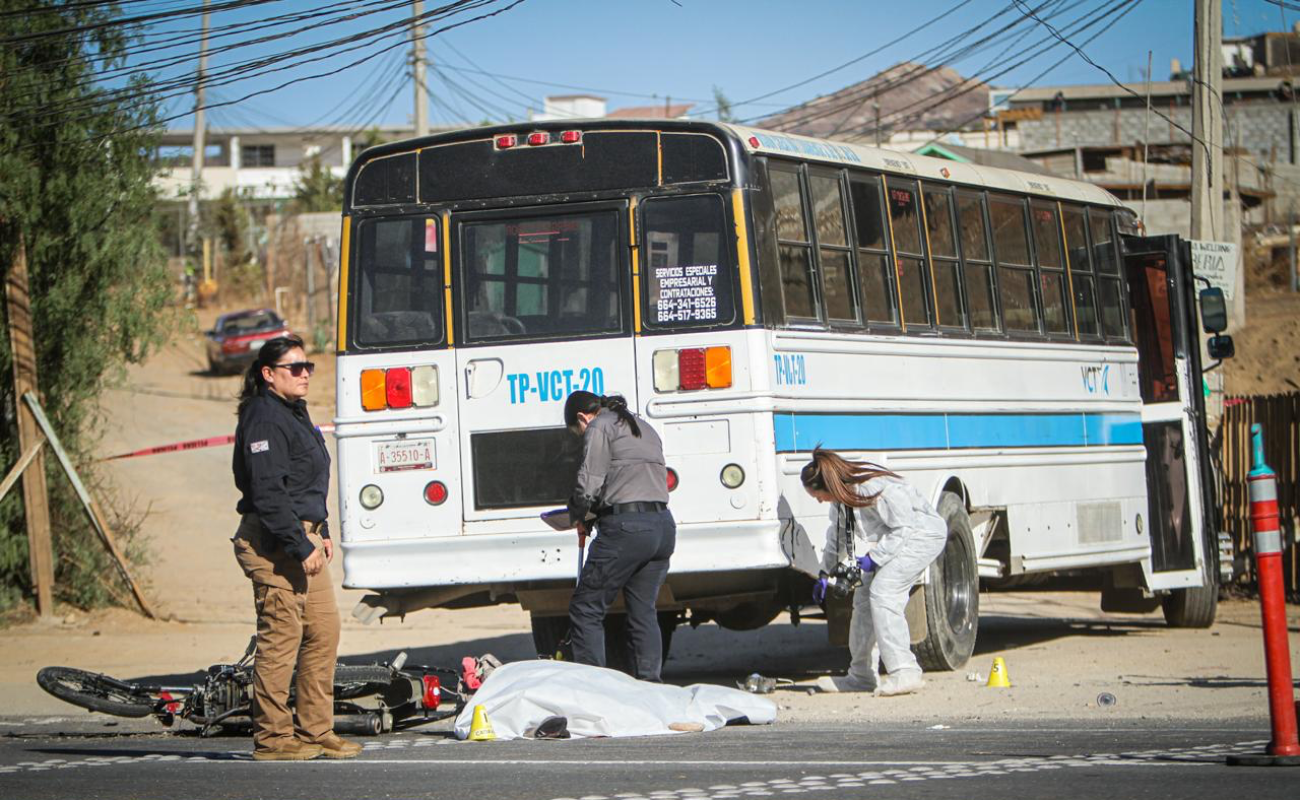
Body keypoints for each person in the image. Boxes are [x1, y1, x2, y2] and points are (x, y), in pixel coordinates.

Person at [230, 335, 360, 761]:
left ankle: (315, 731)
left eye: (308, 367)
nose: (305, 374)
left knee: (323, 630)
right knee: (281, 640)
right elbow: (267, 493)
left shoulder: (294, 412)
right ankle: (273, 740)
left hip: (301, 538)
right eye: (294, 368)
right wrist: (297, 543)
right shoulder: (264, 417)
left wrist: (318, 531)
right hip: (273, 543)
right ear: (268, 375)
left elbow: (304, 483)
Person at [801, 448, 948, 696]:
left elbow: (904, 528)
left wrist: (872, 559)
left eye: (818, 495)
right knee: (863, 600)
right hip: (897, 540)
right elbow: (836, 537)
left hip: (922, 536)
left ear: (828, 485)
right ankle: (861, 675)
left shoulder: (874, 487)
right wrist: (824, 574)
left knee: (884, 592)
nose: (819, 501)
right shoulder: (842, 499)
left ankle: (905, 672)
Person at [563, 390, 675, 682]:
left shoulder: (599, 426)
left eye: (578, 432)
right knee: (643, 612)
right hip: (662, 527)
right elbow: (630, 479)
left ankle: (595, 690)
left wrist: (577, 514)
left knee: (586, 608)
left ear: (581, 418)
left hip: (627, 529)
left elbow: (589, 482)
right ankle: (651, 686)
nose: (582, 438)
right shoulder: (642, 426)